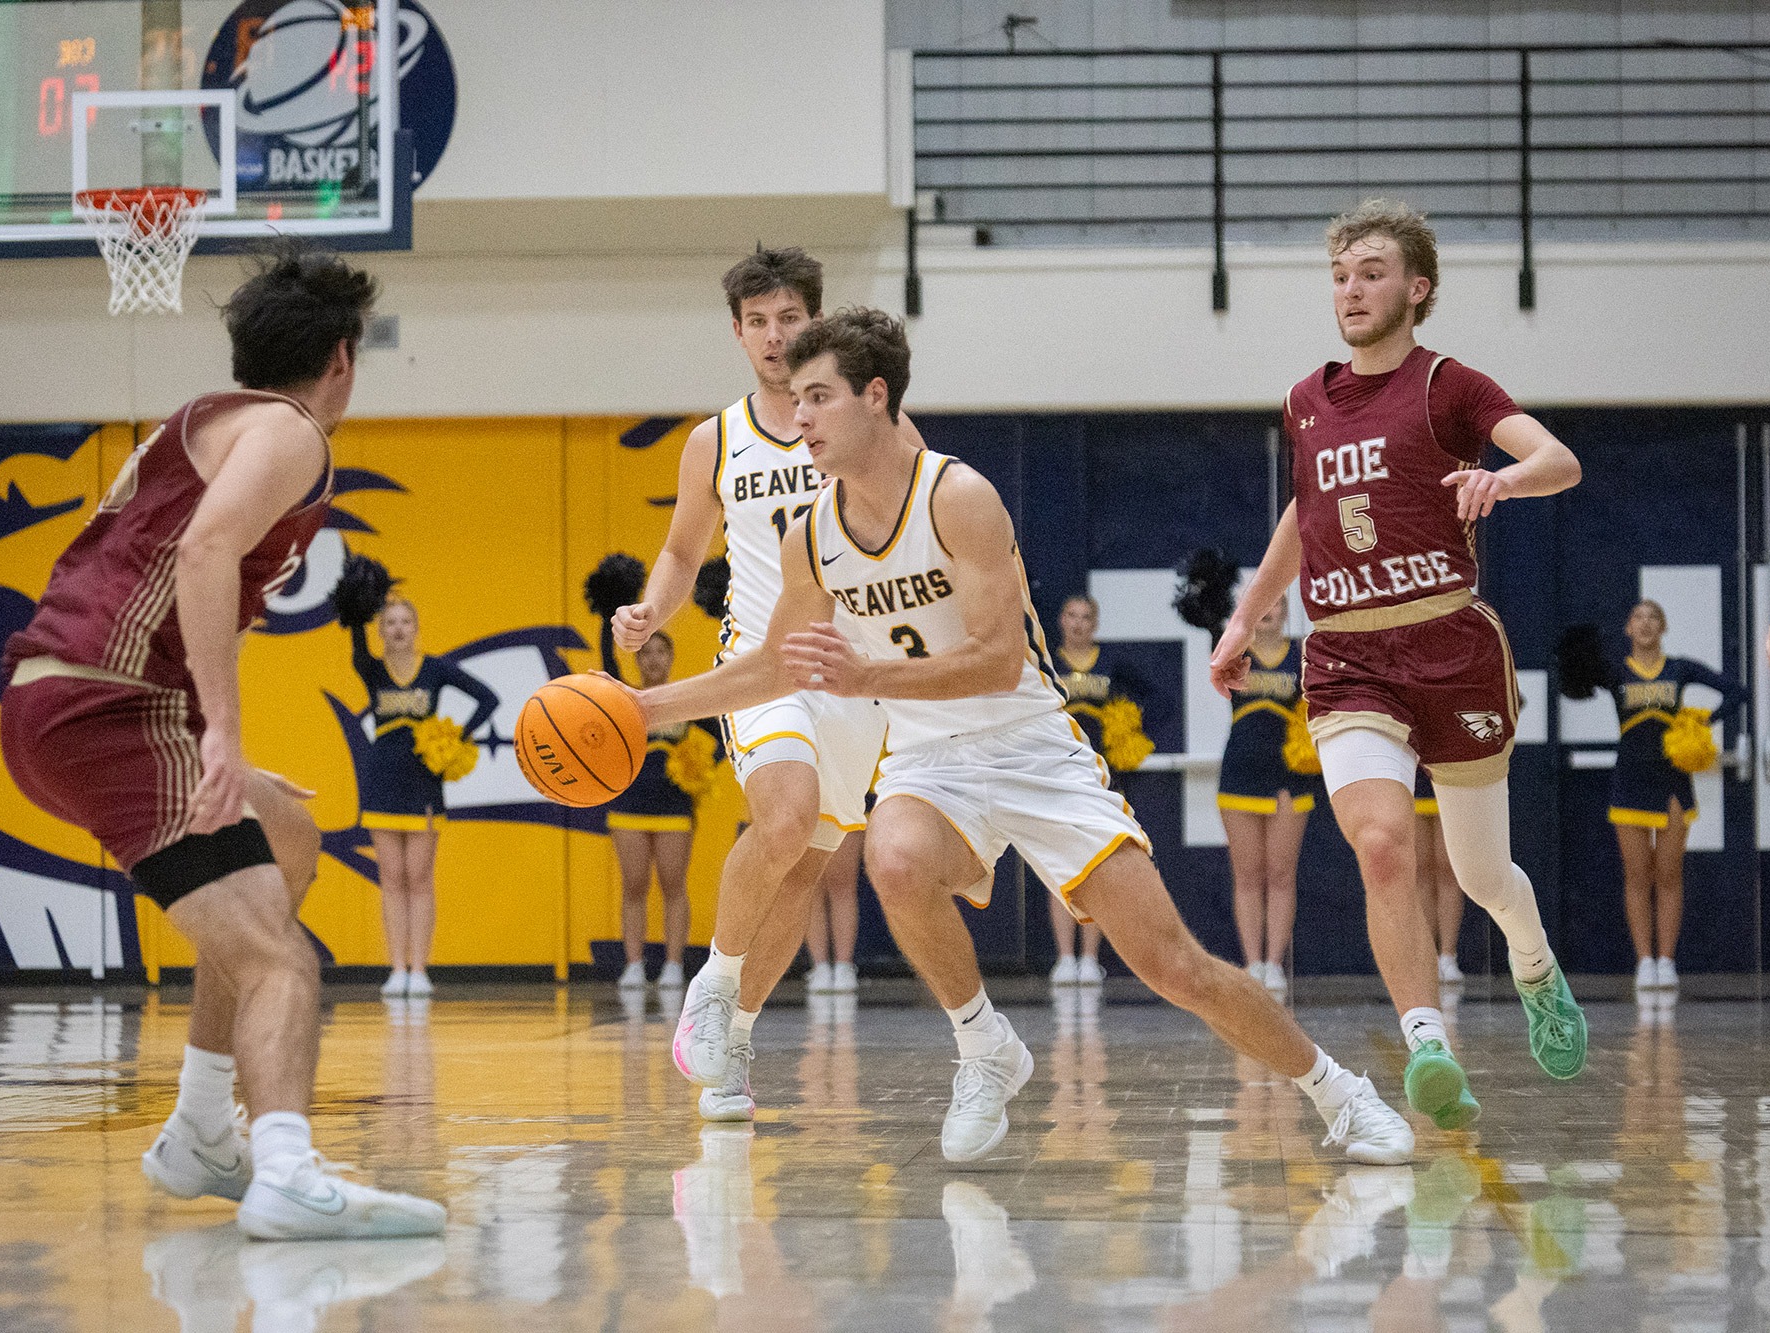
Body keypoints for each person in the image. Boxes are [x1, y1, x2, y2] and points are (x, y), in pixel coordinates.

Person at [628, 307, 1413, 1166]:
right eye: (796, 398)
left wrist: (869, 679)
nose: (800, 416)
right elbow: (775, 665)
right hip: (928, 760)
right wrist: (645, 709)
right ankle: (983, 1044)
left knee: (1172, 965)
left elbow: (997, 662)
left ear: (876, 397)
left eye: (819, 396)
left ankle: (1341, 1093)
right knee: (892, 856)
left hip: (1030, 746)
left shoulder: (958, 498)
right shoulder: (811, 536)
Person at [0, 244, 444, 1240]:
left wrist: (217, 745)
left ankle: (201, 1129)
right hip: (105, 707)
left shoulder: (203, 421)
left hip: (65, 701)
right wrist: (221, 731)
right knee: (283, 959)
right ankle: (285, 1166)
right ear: (342, 359)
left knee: (286, 841)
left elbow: (176, 568)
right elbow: (201, 554)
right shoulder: (291, 433)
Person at [1212, 198, 1589, 1133]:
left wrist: (1505, 477)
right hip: (1346, 654)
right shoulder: (1306, 400)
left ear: (1417, 288)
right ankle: (1429, 1045)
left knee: (1480, 872)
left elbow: (1560, 458)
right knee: (1381, 845)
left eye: (1372, 271)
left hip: (1450, 644)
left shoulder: (1448, 386)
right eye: (1340, 273)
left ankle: (1536, 968)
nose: (1351, 289)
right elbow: (1305, 516)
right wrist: (1245, 615)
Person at [611, 247, 924, 1122]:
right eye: (758, 321)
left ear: (816, 321)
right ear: (738, 334)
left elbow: (919, 525)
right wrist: (651, 609)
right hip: (763, 659)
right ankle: (712, 986)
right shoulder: (715, 440)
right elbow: (681, 550)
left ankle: (735, 1040)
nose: (775, 334)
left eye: (790, 317)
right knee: (780, 819)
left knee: (805, 868)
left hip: (857, 674)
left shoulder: (876, 422)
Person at [349, 595, 499, 998]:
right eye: (390, 623)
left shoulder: (434, 669)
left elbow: (488, 698)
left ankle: (419, 970)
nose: (398, 629)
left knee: (419, 878)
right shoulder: (372, 670)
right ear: (381, 631)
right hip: (381, 782)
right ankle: (396, 969)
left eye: (405, 622)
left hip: (423, 783)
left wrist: (458, 737)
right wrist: (357, 609)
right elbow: (356, 643)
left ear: (416, 628)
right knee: (391, 879)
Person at [1602, 599, 1743, 990]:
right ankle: (1644, 961)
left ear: (1663, 628)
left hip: (1672, 783)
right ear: (1628, 628)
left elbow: (1736, 692)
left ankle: (1666, 960)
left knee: (1668, 874)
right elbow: (1575, 677)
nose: (1645, 624)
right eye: (1638, 618)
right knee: (1636, 876)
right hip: (1629, 781)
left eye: (1653, 618)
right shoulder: (1616, 671)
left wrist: (1701, 722)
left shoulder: (1681, 669)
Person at [600, 630, 719, 991]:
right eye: (646, 653)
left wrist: (701, 767)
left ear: (671, 657)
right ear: (636, 659)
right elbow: (608, 661)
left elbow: (724, 737)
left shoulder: (685, 701)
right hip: (627, 806)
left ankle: (673, 964)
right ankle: (634, 964)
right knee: (633, 885)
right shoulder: (626, 699)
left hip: (674, 808)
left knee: (673, 885)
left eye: (660, 652)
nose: (653, 659)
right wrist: (608, 618)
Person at [1216, 595, 1317, 997]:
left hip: (1290, 776)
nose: (1270, 610)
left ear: (1287, 610)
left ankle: (1275, 964)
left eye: (1277, 603)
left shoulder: (1303, 655)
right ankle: (1252, 963)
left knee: (1280, 874)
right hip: (1239, 773)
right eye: (1264, 603)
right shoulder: (1234, 651)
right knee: (1248, 874)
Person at [1049, 594, 1151, 984]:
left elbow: (1151, 700)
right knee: (1060, 867)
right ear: (1060, 621)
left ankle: (1090, 957)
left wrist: (1130, 735)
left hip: (1100, 777)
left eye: (1085, 616)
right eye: (1071, 615)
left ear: (1095, 623)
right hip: (1056, 774)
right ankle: (1064, 958)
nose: (1077, 623)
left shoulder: (1113, 665)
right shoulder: (1048, 663)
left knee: (1096, 865)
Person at [1412, 772, 1467, 985]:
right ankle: (1428, 958)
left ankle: (1448, 956)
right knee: (1421, 870)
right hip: (1412, 771)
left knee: (1448, 869)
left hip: (1447, 772)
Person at [805, 829, 862, 993]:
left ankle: (842, 967)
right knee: (811, 885)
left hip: (845, 807)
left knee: (841, 884)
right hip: (809, 808)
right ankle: (821, 967)